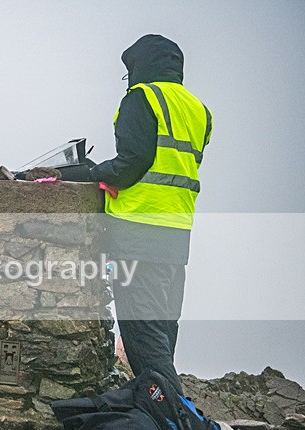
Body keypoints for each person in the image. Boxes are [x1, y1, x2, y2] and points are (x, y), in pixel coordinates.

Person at [88, 34, 213, 394]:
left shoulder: (142, 98)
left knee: (144, 342)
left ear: (139, 65)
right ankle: (170, 420)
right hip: (177, 234)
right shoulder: (198, 110)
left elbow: (133, 164)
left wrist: (94, 172)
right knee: (162, 331)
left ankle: (178, 427)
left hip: (137, 233)